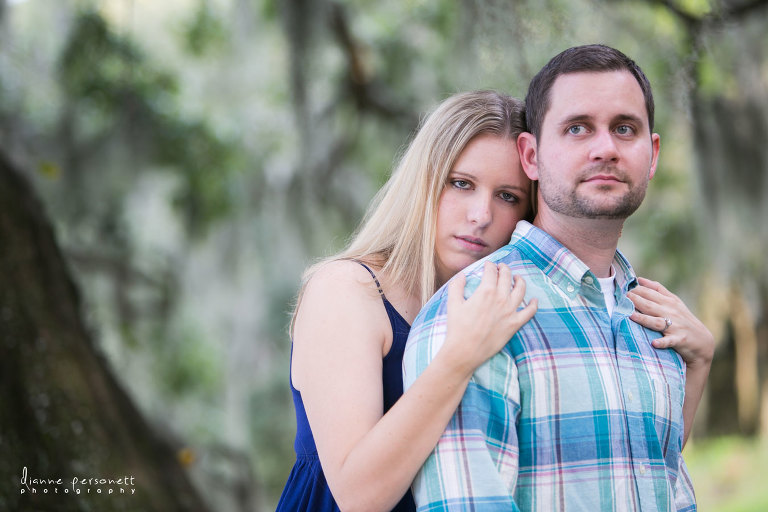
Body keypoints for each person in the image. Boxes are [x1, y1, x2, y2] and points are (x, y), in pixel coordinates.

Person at [403, 44, 711, 511]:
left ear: (652, 155)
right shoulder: (474, 310)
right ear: (531, 156)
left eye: (624, 129)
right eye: (577, 128)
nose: (605, 148)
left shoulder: (656, 323)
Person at [277, 90, 539, 512]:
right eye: (461, 183)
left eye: (508, 196)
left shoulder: (502, 305)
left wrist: (688, 368)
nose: (481, 215)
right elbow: (358, 495)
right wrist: (459, 358)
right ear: (424, 182)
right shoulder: (346, 291)